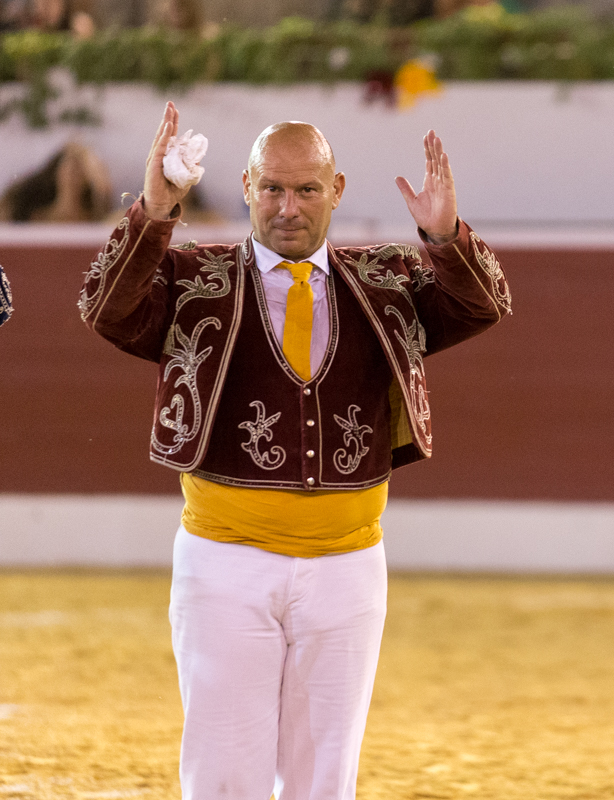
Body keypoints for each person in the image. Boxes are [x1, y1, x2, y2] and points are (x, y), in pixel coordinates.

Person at [79, 103, 511, 799]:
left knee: (324, 780)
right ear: (247, 188)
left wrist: (442, 236)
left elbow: (479, 305)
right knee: (224, 776)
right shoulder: (195, 277)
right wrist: (154, 213)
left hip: (347, 568)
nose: (288, 206)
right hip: (226, 564)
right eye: (272, 188)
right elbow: (108, 309)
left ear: (336, 191)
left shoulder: (384, 279)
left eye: (307, 188)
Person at [0, 141, 112, 222]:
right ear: (57, 171)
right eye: (71, 163)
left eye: (81, 166)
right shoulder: (37, 218)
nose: (74, 171)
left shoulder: (96, 219)